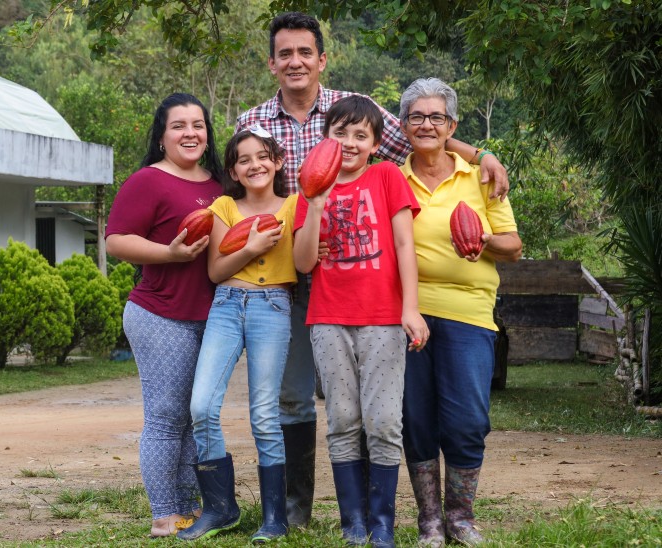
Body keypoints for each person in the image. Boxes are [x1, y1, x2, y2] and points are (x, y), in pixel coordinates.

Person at [236, 11, 511, 527]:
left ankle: (369, 514)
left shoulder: (351, 114)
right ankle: (297, 508)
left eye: (305, 52)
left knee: (376, 410)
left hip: (366, 290)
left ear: (321, 58)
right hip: (290, 274)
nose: (295, 62)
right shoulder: (252, 122)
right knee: (297, 396)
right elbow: (242, 182)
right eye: (285, 53)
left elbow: (421, 134)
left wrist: (482, 152)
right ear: (272, 63)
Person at [293, 96, 429, 547]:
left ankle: (382, 524)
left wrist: (410, 308)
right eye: (340, 133)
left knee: (384, 422)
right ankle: (353, 523)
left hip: (383, 319)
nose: (349, 143)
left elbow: (406, 247)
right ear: (325, 138)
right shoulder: (308, 187)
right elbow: (303, 261)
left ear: (374, 144)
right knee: (343, 420)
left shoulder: (386, 176)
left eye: (360, 135)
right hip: (329, 318)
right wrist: (314, 205)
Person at [397, 78, 522, 547]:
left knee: (468, 419)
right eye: (417, 117)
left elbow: (513, 246)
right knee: (417, 417)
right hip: (409, 314)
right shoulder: (391, 178)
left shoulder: (481, 177)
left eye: (436, 117)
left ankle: (461, 517)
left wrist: (482, 239)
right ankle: (430, 520)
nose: (426, 125)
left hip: (470, 314)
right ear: (404, 125)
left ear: (451, 125)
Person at [104, 92, 224, 538]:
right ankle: (163, 513)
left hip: (210, 318)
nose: (190, 133)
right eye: (179, 125)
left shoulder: (220, 185)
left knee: (196, 415)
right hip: (160, 314)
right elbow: (115, 241)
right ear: (161, 136)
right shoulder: (148, 181)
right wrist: (169, 253)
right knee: (166, 415)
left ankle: (190, 507)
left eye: (197, 124)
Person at [178, 127, 297, 542]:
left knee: (264, 414)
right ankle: (220, 509)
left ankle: (274, 518)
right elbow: (215, 271)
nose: (254, 165)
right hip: (227, 306)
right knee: (201, 406)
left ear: (277, 161)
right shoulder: (224, 206)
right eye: (243, 159)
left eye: (262, 156)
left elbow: (304, 261)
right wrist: (251, 246)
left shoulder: (296, 206)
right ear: (233, 170)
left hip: (273, 308)